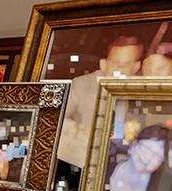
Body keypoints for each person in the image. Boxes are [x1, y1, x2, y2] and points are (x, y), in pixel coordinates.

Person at [57, 34, 146, 169]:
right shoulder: (81, 85)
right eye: (115, 63)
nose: (120, 70)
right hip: (82, 161)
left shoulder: (146, 89)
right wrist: (87, 136)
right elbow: (56, 121)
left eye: (126, 64)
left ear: (136, 67)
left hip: (128, 164)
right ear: (103, 64)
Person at [104, 124, 169, 191]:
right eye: (146, 148)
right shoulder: (103, 166)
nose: (148, 158)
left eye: (157, 156)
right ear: (133, 145)